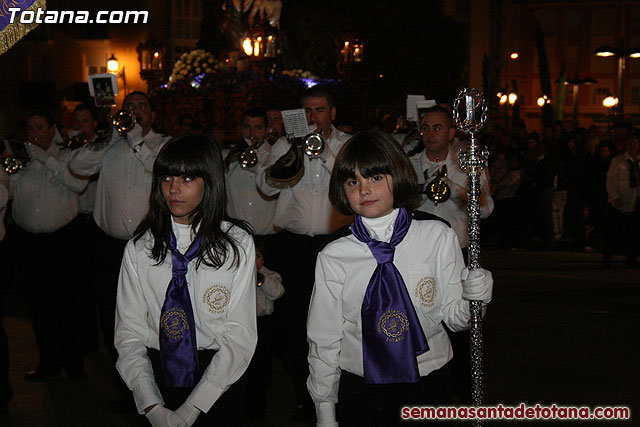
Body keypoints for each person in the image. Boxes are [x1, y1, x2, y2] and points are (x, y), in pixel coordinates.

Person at [307, 131, 493, 426]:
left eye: (376, 178)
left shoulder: (437, 235)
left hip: (429, 381)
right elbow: (324, 339)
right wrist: (325, 413)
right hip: (361, 386)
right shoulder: (334, 254)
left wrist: (476, 298)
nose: (364, 190)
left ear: (398, 175)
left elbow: (457, 320)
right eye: (353, 181)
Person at [115, 134, 257, 426]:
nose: (174, 189)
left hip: (218, 378)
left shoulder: (237, 244)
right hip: (155, 373)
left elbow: (240, 336)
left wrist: (193, 408)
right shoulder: (140, 247)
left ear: (210, 182)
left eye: (188, 178)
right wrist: (152, 405)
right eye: (166, 177)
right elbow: (128, 333)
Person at [256, 86, 351, 419]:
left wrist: (323, 153)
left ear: (333, 113)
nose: (313, 118)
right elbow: (265, 186)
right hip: (293, 246)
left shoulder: (345, 145)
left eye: (320, 110)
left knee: (337, 323)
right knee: (295, 327)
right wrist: (292, 153)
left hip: (336, 243)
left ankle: (336, 396)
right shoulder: (284, 144)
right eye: (307, 111)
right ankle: (304, 397)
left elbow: (351, 181)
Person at [69, 91, 171, 360]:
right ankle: (123, 375)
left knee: (149, 310)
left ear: (153, 115)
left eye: (142, 106)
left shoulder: (163, 144)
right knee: (111, 308)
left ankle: (153, 371)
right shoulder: (110, 145)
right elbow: (77, 165)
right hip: (108, 245)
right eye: (130, 107)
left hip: (150, 244)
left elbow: (162, 169)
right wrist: (111, 138)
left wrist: (136, 140)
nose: (136, 112)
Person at [10, 110, 88, 380]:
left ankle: (73, 364)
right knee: (38, 305)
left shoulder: (68, 155)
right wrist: (15, 173)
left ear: (52, 129)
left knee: (65, 304)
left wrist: (46, 160)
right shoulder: (21, 159)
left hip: (61, 241)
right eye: (30, 128)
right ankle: (49, 362)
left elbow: (78, 184)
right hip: (29, 242)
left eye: (40, 127)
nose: (34, 133)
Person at [410, 105, 494, 258]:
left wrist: (459, 193)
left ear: (450, 133)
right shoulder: (409, 165)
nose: (430, 134)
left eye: (437, 129)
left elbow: (486, 209)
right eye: (425, 128)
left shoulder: (468, 167)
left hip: (458, 250)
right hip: (418, 250)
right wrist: (421, 193)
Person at [69, 103, 102, 354]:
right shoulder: (72, 146)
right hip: (78, 220)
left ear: (94, 123)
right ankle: (87, 341)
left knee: (100, 286)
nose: (81, 126)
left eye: (85, 121)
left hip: (97, 221)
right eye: (77, 121)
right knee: (80, 286)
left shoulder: (102, 147)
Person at [243, 237, 284, 422]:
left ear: (263, 259)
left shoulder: (271, 275)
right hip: (245, 325)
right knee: (245, 367)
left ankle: (259, 408)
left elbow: (277, 292)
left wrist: (259, 277)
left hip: (264, 325)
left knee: (262, 368)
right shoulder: (239, 274)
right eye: (250, 256)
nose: (254, 260)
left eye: (257, 256)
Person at [225, 108, 276, 240]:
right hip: (235, 236)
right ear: (240, 128)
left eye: (258, 128)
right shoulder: (227, 157)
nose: (252, 133)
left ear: (266, 130)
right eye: (247, 127)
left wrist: (256, 166)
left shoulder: (276, 155)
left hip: (269, 236)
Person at [604, 136, 640, 268]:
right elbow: (611, 181)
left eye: (635, 143)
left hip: (635, 201)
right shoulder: (618, 162)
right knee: (616, 233)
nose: (633, 146)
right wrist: (614, 197)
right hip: (621, 202)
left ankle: (632, 259)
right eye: (630, 143)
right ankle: (608, 256)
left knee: (634, 234)